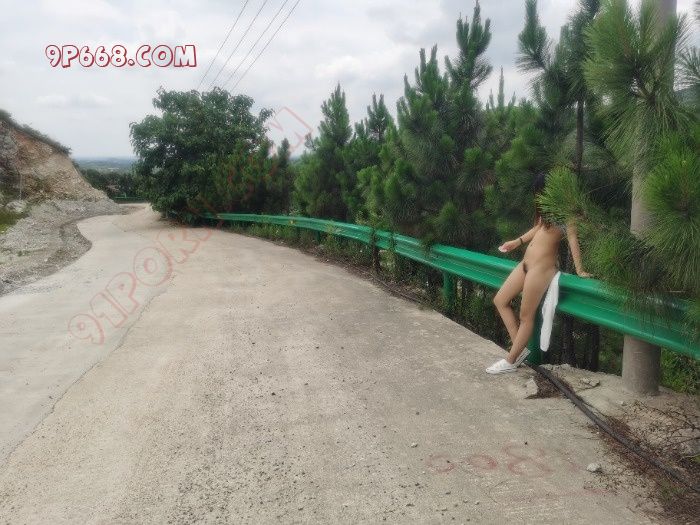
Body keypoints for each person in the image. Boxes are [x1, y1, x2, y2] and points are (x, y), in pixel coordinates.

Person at [486, 173, 591, 374]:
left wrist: (580, 269)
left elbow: (572, 239)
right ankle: (519, 351)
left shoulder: (566, 212)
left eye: (540, 192)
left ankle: (510, 361)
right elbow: (538, 228)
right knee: (500, 300)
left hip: (542, 269)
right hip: (526, 264)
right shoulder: (547, 211)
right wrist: (517, 242)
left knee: (526, 316)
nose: (538, 197)